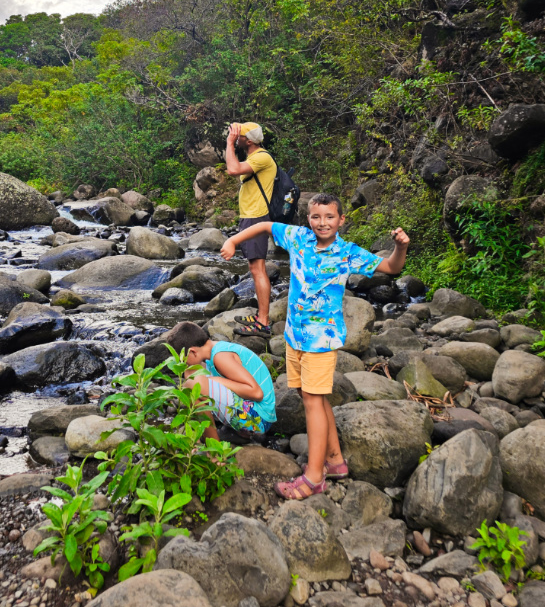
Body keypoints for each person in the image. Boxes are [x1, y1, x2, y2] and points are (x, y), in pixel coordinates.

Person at [220, 192, 410, 499]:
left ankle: (314, 476)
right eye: (316, 217)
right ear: (308, 219)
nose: (322, 223)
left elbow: (390, 267)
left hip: (321, 340)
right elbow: (266, 225)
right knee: (309, 396)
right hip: (295, 336)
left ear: (341, 220)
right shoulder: (299, 239)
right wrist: (233, 240)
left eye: (330, 217)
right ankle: (334, 460)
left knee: (312, 400)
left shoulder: (347, 252)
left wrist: (400, 247)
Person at [166, 321, 276, 441]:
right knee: (194, 377)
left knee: (194, 386)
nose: (183, 363)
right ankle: (222, 434)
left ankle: (214, 450)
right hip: (255, 413)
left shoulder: (220, 356)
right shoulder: (213, 351)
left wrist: (217, 380)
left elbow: (256, 393)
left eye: (184, 359)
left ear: (193, 351)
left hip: (260, 420)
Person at [225, 121, 277, 337]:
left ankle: (263, 322)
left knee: (258, 269)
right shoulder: (255, 157)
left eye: (239, 136)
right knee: (256, 268)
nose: (236, 138)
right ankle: (260, 315)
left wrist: (229, 142)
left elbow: (232, 169)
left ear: (248, 140)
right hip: (251, 216)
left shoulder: (262, 157)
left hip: (256, 217)